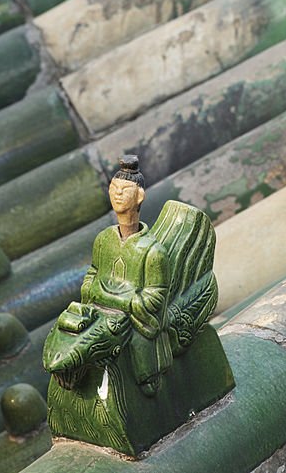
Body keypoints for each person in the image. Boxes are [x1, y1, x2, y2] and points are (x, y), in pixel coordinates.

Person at [80, 155, 172, 395]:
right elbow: (93, 273)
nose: (117, 194)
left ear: (139, 196)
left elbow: (155, 297)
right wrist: (91, 290)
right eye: (113, 188)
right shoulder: (103, 240)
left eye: (124, 189)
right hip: (101, 311)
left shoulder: (153, 252)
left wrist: (121, 301)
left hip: (139, 322)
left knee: (137, 344)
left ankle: (147, 378)